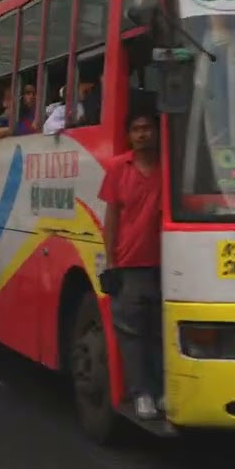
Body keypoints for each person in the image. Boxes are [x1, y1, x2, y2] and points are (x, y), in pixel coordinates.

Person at [98, 101, 163, 420]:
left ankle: (163, 391)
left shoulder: (172, 168)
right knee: (133, 335)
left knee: (159, 333)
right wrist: (111, 262)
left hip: (167, 265)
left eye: (147, 128)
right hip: (129, 265)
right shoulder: (117, 168)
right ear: (128, 136)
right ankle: (142, 394)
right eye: (136, 130)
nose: (143, 135)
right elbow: (111, 218)